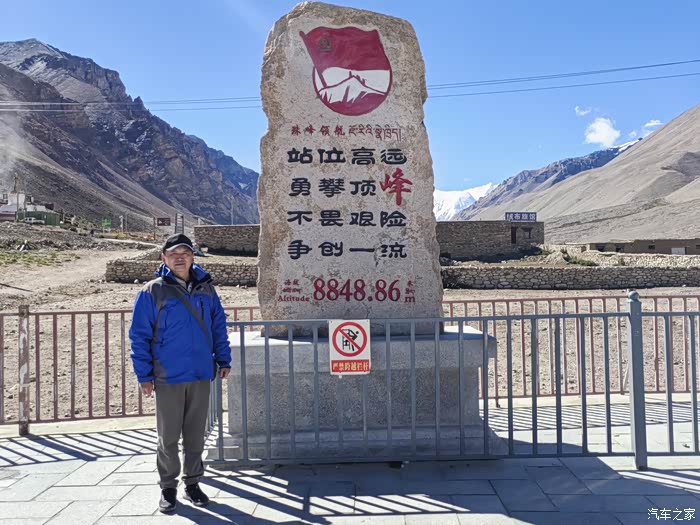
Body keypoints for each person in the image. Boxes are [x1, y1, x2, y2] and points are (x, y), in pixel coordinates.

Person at [129, 233, 231, 513]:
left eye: (185, 253)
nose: (179, 258)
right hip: (168, 375)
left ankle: (193, 483)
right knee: (169, 437)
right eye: (173, 254)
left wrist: (224, 358)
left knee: (195, 435)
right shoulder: (152, 291)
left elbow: (218, 325)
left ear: (192, 256)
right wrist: (144, 376)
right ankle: (168, 487)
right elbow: (139, 336)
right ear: (163, 258)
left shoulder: (207, 289)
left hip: (200, 373)